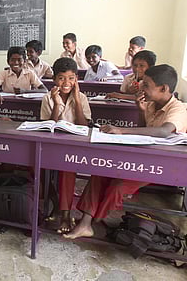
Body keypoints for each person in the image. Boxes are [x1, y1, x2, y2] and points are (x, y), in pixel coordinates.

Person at [65, 64, 187, 240]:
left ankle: (94, 220)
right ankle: (86, 223)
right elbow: (146, 132)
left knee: (118, 185)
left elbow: (163, 132)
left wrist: (121, 130)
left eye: (146, 85)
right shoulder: (152, 103)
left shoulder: (177, 109)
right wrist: (141, 111)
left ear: (163, 88)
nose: (141, 88)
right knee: (100, 172)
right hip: (144, 157)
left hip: (163, 166)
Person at [40, 57, 92, 233]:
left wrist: (77, 100)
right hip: (52, 145)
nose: (66, 82)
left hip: (73, 147)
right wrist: (56, 105)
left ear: (76, 79)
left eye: (71, 78)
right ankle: (57, 204)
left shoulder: (82, 98)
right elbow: (48, 126)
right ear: (54, 79)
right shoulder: (48, 97)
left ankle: (65, 213)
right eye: (61, 78)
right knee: (38, 169)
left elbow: (84, 126)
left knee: (66, 169)